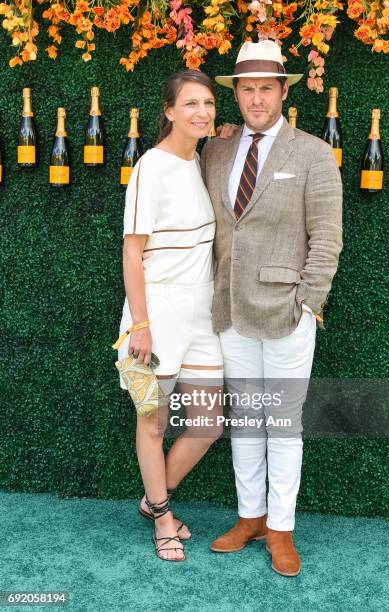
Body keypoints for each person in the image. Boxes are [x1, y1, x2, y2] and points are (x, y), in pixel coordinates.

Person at [200, 40, 343, 576]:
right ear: (234, 95)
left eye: (266, 88)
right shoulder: (215, 150)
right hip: (230, 310)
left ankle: (281, 528)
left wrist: (310, 301)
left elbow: (327, 236)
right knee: (246, 422)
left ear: (285, 90)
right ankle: (250, 516)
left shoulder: (312, 153)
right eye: (246, 88)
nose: (256, 98)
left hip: (288, 312)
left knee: (281, 423)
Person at [115, 70, 224, 562]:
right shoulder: (151, 167)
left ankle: (153, 497)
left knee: (208, 424)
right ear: (169, 111)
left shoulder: (199, 161)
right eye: (190, 104)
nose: (202, 112)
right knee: (154, 424)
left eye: (208, 103)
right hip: (156, 314)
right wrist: (140, 324)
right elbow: (132, 253)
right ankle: (162, 517)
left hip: (202, 315)